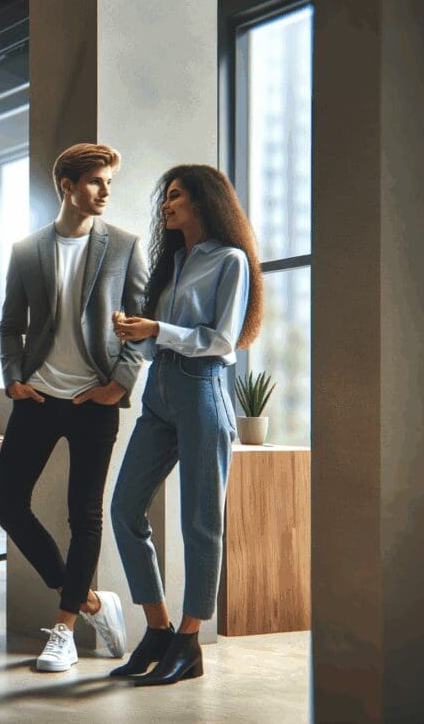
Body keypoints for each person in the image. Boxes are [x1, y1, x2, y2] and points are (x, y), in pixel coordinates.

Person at [0, 143, 148, 672]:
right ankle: (90, 600)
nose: (105, 192)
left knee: (84, 515)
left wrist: (119, 385)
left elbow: (140, 326)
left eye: (109, 183)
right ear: (67, 185)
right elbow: (10, 323)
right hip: (38, 396)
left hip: (93, 400)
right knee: (8, 505)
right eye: (96, 182)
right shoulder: (27, 249)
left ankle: (63, 629)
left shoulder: (124, 245)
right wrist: (13, 377)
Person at [109, 164, 264, 685]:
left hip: (202, 390)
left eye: (174, 196)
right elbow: (160, 342)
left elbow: (222, 341)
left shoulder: (231, 261)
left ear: (202, 201)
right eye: (165, 197)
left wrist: (159, 328)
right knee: (125, 508)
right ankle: (158, 628)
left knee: (200, 522)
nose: (165, 205)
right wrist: (138, 334)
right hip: (160, 393)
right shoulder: (172, 263)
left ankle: (189, 641)